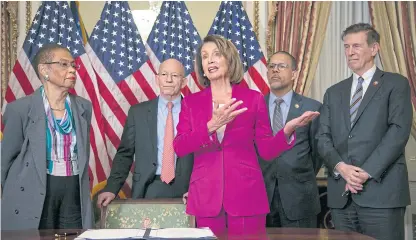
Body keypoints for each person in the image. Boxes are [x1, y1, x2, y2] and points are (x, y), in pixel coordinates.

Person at [173, 35, 319, 236]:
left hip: (246, 197)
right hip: (206, 198)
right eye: (205, 57)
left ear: (229, 59)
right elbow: (180, 146)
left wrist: (287, 131)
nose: (210, 60)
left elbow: (267, 150)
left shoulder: (253, 99)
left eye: (216, 54)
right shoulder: (191, 103)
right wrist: (211, 126)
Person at [317, 23, 412, 240]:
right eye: (346, 46)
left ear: (374, 48)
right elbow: (322, 137)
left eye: (357, 46)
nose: (350, 52)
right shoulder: (333, 92)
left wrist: (363, 173)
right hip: (342, 198)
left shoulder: (396, 84)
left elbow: (398, 133)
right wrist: (341, 168)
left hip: (382, 194)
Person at [1, 44, 93, 230]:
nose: (72, 70)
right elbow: (5, 160)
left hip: (73, 187)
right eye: (64, 64)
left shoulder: (84, 107)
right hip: (33, 188)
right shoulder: (19, 109)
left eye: (74, 65)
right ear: (44, 70)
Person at [97, 58, 193, 207]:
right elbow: (125, 154)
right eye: (164, 74)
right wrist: (111, 188)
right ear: (157, 79)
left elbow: (204, 154)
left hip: (188, 190)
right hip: (149, 187)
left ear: (184, 82)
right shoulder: (138, 113)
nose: (168, 80)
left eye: (175, 76)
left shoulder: (195, 111)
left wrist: (199, 188)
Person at [259, 51, 322, 228]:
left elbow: (318, 153)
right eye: (271, 66)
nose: (275, 71)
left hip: (300, 198)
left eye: (281, 66)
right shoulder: (256, 107)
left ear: (294, 74)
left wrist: (296, 171)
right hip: (263, 198)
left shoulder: (311, 108)